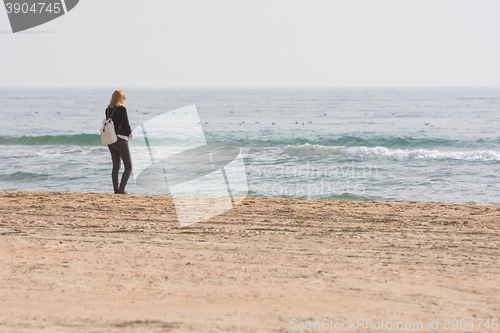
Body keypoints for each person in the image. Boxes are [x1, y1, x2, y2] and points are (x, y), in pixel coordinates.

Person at [106, 90, 133, 194]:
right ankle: (121, 190)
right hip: (121, 139)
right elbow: (126, 124)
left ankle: (116, 190)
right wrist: (130, 135)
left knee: (116, 166)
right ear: (121, 99)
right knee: (129, 167)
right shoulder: (122, 109)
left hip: (111, 140)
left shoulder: (108, 109)